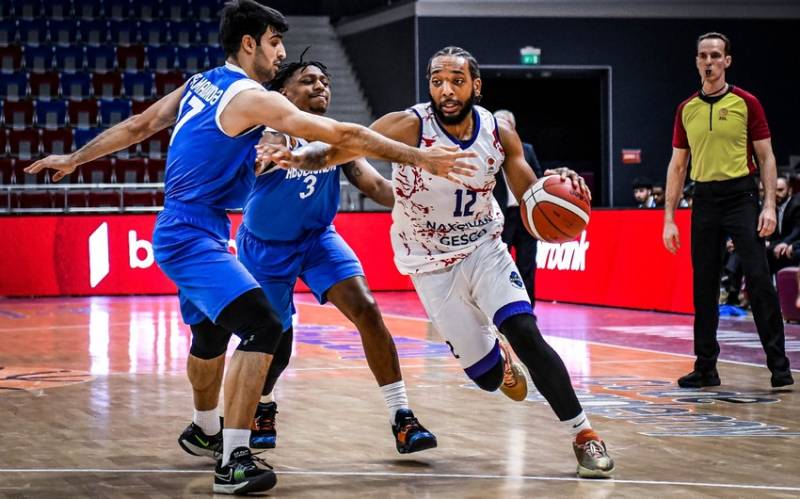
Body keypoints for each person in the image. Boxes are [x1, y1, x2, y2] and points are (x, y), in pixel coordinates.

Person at [24, 1, 476, 494]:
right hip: (193, 233)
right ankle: (234, 460)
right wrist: (419, 157)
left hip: (202, 229)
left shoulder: (201, 83)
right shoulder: (248, 96)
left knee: (212, 340)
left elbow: (139, 125)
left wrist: (76, 157)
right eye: (274, 42)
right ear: (249, 43)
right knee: (265, 325)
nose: (279, 53)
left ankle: (206, 431)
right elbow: (345, 135)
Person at [260, 46, 615, 478]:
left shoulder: (499, 131)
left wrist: (556, 185)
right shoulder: (408, 126)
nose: (446, 90)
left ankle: (585, 435)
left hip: (484, 248)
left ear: (476, 86)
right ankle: (495, 363)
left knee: (524, 329)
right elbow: (345, 147)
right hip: (430, 265)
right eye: (437, 81)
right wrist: (301, 157)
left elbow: (529, 193)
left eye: (457, 81)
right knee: (486, 377)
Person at [236, 55, 436, 453]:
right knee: (277, 347)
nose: (321, 86)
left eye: (325, 81)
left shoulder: (335, 138)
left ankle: (402, 417)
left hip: (318, 240)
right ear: (282, 94)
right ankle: (262, 405)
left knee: (367, 309)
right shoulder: (267, 132)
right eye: (308, 81)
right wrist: (263, 156)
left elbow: (377, 187)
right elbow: (257, 160)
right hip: (266, 249)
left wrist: (429, 205)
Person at [662, 32, 793, 389]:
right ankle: (706, 367)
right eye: (703, 56)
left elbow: (766, 157)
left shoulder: (746, 103)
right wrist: (669, 218)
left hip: (741, 197)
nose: (709, 62)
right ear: (696, 61)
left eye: (716, 56)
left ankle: (779, 366)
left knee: (759, 279)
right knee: (703, 286)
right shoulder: (686, 109)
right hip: (704, 199)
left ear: (727, 61)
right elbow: (677, 166)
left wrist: (768, 205)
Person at [492, 109, 543, 310]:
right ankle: (498, 309)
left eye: (505, 124)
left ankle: (528, 310)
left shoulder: (526, 150)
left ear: (512, 128)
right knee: (498, 267)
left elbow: (537, 178)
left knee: (527, 265)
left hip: (524, 215)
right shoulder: (486, 153)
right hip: (499, 216)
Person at [766, 175, 800, 274]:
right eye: (775, 190)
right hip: (780, 241)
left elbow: (798, 229)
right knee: (760, 249)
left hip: (793, 241)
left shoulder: (796, 205)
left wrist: (787, 243)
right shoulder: (774, 207)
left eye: (780, 190)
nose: (777, 194)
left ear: (789, 191)